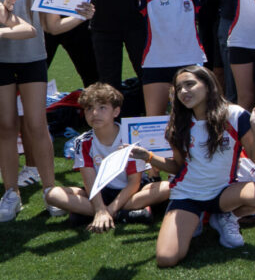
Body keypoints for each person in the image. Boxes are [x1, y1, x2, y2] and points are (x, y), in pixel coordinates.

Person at [0, 0, 96, 222]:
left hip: (33, 59)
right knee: (5, 126)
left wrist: (82, 17)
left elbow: (52, 27)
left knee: (37, 125)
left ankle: (50, 191)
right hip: (1, 61)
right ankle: (11, 193)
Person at [141, 66, 255, 267]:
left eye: (190, 84)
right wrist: (149, 157)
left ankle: (225, 217)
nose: (183, 91)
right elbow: (178, 167)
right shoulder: (178, 123)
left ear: (208, 85)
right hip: (187, 195)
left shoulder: (235, 115)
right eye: (179, 88)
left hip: (223, 193)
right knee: (166, 258)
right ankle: (196, 218)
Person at [42, 83, 168, 229]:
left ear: (116, 111)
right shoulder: (82, 142)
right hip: (100, 192)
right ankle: (123, 214)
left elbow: (134, 182)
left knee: (167, 187)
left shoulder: (129, 136)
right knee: (52, 194)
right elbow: (90, 181)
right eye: (89, 108)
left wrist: (109, 209)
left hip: (132, 192)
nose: (95, 113)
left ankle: (96, 213)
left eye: (102, 108)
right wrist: (100, 208)